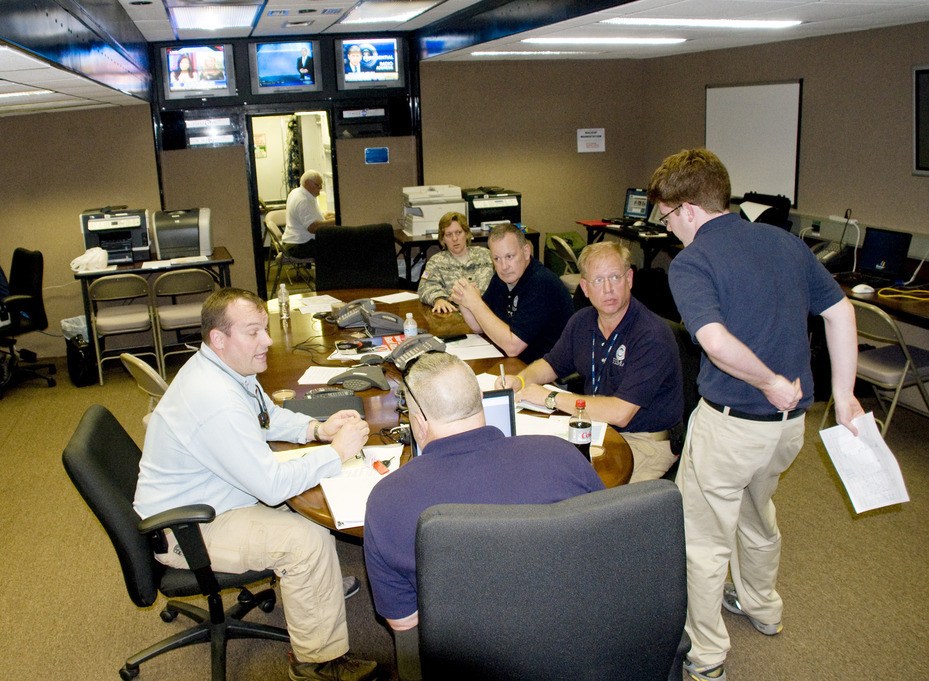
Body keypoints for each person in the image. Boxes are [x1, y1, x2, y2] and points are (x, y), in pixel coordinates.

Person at [646, 148, 864, 681]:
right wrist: (845, 394)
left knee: (702, 542)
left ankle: (707, 656)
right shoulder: (784, 242)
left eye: (667, 217)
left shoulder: (693, 261)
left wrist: (767, 382)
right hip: (788, 432)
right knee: (757, 513)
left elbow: (716, 342)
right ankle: (763, 608)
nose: (668, 228)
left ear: (687, 208)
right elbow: (840, 311)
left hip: (732, 425)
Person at [134, 288, 378, 681]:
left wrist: (315, 428)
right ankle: (316, 664)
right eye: (254, 332)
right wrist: (335, 452)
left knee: (314, 500)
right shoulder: (215, 399)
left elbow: (267, 416)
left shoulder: (225, 370)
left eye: (264, 329)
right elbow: (270, 486)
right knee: (307, 541)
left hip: (212, 494)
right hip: (188, 527)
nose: (266, 340)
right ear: (219, 338)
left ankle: (318, 590)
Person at [364, 352, 604, 681]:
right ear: (481, 399)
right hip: (578, 641)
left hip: (466, 662)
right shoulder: (561, 454)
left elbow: (403, 622)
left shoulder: (386, 500)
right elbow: (605, 544)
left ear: (417, 420)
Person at [499, 241, 683, 482]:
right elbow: (551, 364)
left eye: (615, 277)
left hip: (644, 440)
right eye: (598, 281)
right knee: (534, 468)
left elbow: (620, 413)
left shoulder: (651, 335)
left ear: (629, 279)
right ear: (585, 288)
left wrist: (550, 397)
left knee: (583, 495)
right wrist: (522, 381)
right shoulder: (582, 321)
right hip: (595, 429)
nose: (607, 289)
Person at [450, 223, 573, 363]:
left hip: (548, 372)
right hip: (517, 362)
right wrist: (464, 301)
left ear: (526, 252)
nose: (504, 266)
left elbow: (513, 347)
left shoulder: (541, 283)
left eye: (509, 256)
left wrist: (476, 303)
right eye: (496, 259)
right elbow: (479, 326)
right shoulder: (502, 278)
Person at [416, 211, 493, 314]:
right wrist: (438, 299)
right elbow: (424, 287)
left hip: (488, 312)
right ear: (443, 239)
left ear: (466, 233)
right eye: (449, 234)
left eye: (458, 232)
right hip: (454, 315)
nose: (455, 238)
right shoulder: (436, 262)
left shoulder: (487, 255)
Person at [283, 170, 335, 259]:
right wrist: (337, 220)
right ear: (308, 183)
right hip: (299, 245)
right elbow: (313, 228)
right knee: (339, 246)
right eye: (318, 185)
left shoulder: (297, 192)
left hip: (294, 242)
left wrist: (328, 216)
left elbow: (311, 216)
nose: (320, 188)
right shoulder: (303, 200)